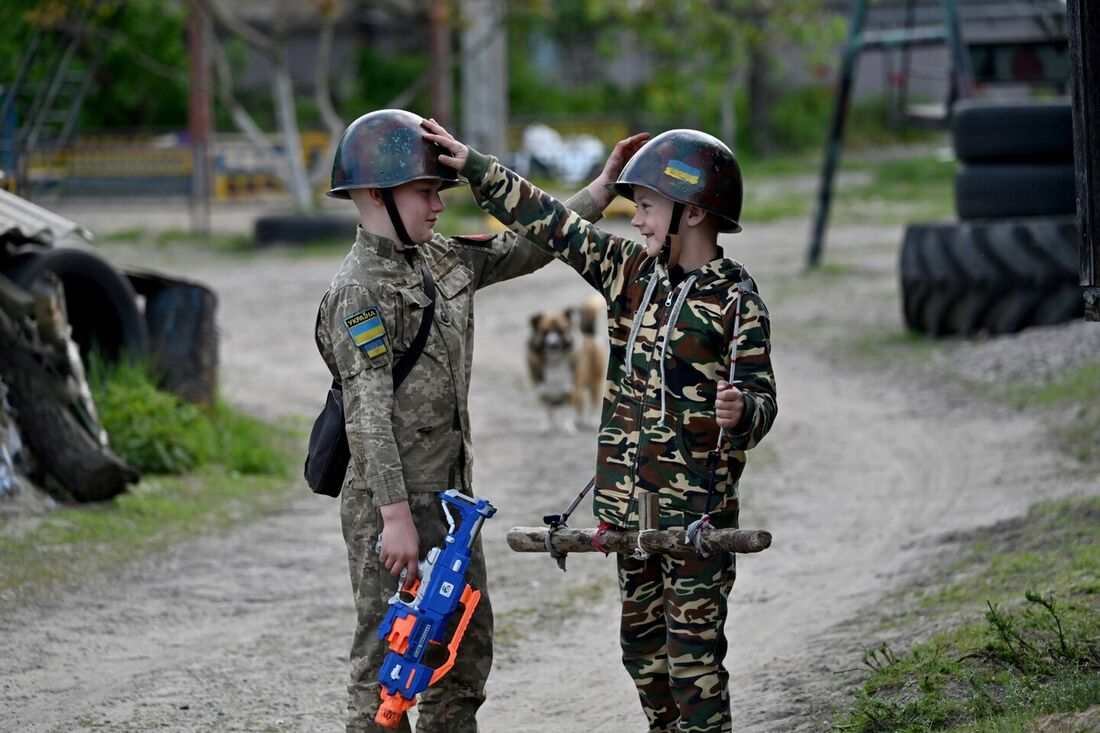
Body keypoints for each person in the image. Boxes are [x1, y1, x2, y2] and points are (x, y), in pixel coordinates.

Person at [423, 118, 778, 733]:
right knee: (643, 658)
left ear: (691, 212)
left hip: (696, 519)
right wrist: (475, 166)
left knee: (693, 665)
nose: (634, 219)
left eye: (645, 207)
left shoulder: (738, 302)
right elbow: (552, 225)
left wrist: (743, 410)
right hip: (626, 516)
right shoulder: (627, 274)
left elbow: (763, 398)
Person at [314, 108, 649, 733]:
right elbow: (367, 415)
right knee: (387, 654)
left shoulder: (442, 260)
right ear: (374, 195)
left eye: (438, 193)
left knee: (463, 651)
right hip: (393, 507)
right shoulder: (359, 292)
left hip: (451, 504)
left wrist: (601, 191)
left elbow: (522, 246)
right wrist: (394, 520)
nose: (437, 206)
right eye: (423, 193)